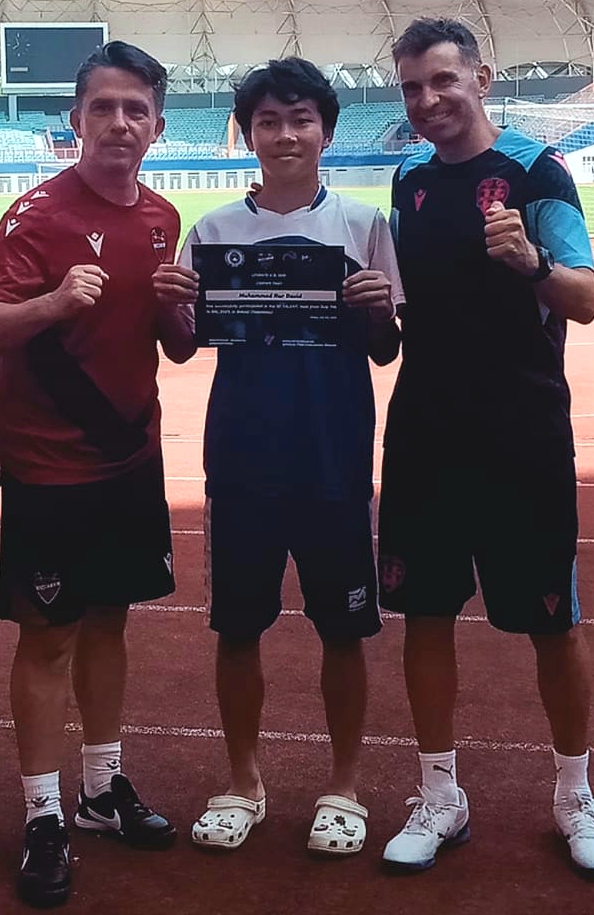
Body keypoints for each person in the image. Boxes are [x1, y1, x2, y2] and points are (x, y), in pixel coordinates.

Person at [375, 17, 594, 879]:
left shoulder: (537, 171)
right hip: (424, 428)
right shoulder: (407, 178)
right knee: (424, 613)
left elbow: (585, 299)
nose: (426, 100)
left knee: (551, 621)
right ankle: (439, 797)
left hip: (521, 428)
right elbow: (403, 314)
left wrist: (530, 263)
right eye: (411, 87)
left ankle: (574, 796)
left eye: (442, 80)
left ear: (481, 78)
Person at [153, 57, 402, 856]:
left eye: (300, 120)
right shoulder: (213, 230)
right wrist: (169, 308)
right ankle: (242, 781)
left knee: (344, 630)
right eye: (267, 121)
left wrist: (375, 311)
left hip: (332, 454)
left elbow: (386, 348)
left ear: (325, 131)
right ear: (247, 133)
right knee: (237, 629)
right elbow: (183, 348)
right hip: (242, 456)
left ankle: (344, 787)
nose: (284, 135)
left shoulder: (364, 223)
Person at [0, 41, 182, 908]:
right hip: (51, 464)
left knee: (109, 621)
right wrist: (55, 302)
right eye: (103, 108)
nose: (119, 123)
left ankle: (100, 788)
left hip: (130, 455)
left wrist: (180, 311)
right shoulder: (37, 216)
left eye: (136, 110)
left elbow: (171, 343)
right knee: (49, 636)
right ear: (76, 120)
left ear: (156, 126)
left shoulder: (162, 217)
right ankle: (43, 813)